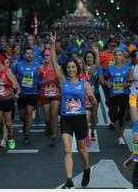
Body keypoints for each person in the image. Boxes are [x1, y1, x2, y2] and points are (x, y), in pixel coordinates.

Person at [50, 32, 92, 189]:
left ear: (78, 68)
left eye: (73, 67)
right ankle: (69, 180)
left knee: (81, 149)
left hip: (80, 119)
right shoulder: (63, 81)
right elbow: (54, 62)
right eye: (68, 67)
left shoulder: (84, 83)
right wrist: (53, 45)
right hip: (66, 119)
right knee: (67, 150)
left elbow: (92, 99)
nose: (71, 69)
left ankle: (86, 168)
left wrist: (92, 99)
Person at [104, 49, 131, 145]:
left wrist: (127, 83)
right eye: (116, 55)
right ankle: (113, 120)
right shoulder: (110, 68)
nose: (117, 57)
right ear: (113, 57)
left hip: (124, 94)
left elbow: (131, 80)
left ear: (123, 57)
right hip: (113, 94)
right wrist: (107, 83)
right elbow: (105, 79)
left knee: (122, 115)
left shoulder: (128, 68)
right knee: (112, 114)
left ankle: (120, 136)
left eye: (120, 55)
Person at [14, 47, 40, 144]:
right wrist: (16, 86)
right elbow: (12, 75)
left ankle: (27, 135)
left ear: (33, 54)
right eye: (27, 53)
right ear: (24, 54)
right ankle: (25, 124)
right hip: (22, 93)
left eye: (31, 53)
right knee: (22, 116)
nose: (29, 55)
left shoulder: (38, 66)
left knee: (29, 112)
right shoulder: (18, 65)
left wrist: (39, 82)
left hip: (33, 92)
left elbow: (41, 77)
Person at [38, 48, 61, 146]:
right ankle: (49, 126)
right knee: (47, 118)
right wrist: (40, 82)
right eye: (45, 55)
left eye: (48, 55)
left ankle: (54, 136)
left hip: (55, 94)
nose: (46, 57)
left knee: (54, 115)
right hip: (44, 94)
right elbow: (35, 80)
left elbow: (62, 80)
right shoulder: (41, 68)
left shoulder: (58, 68)